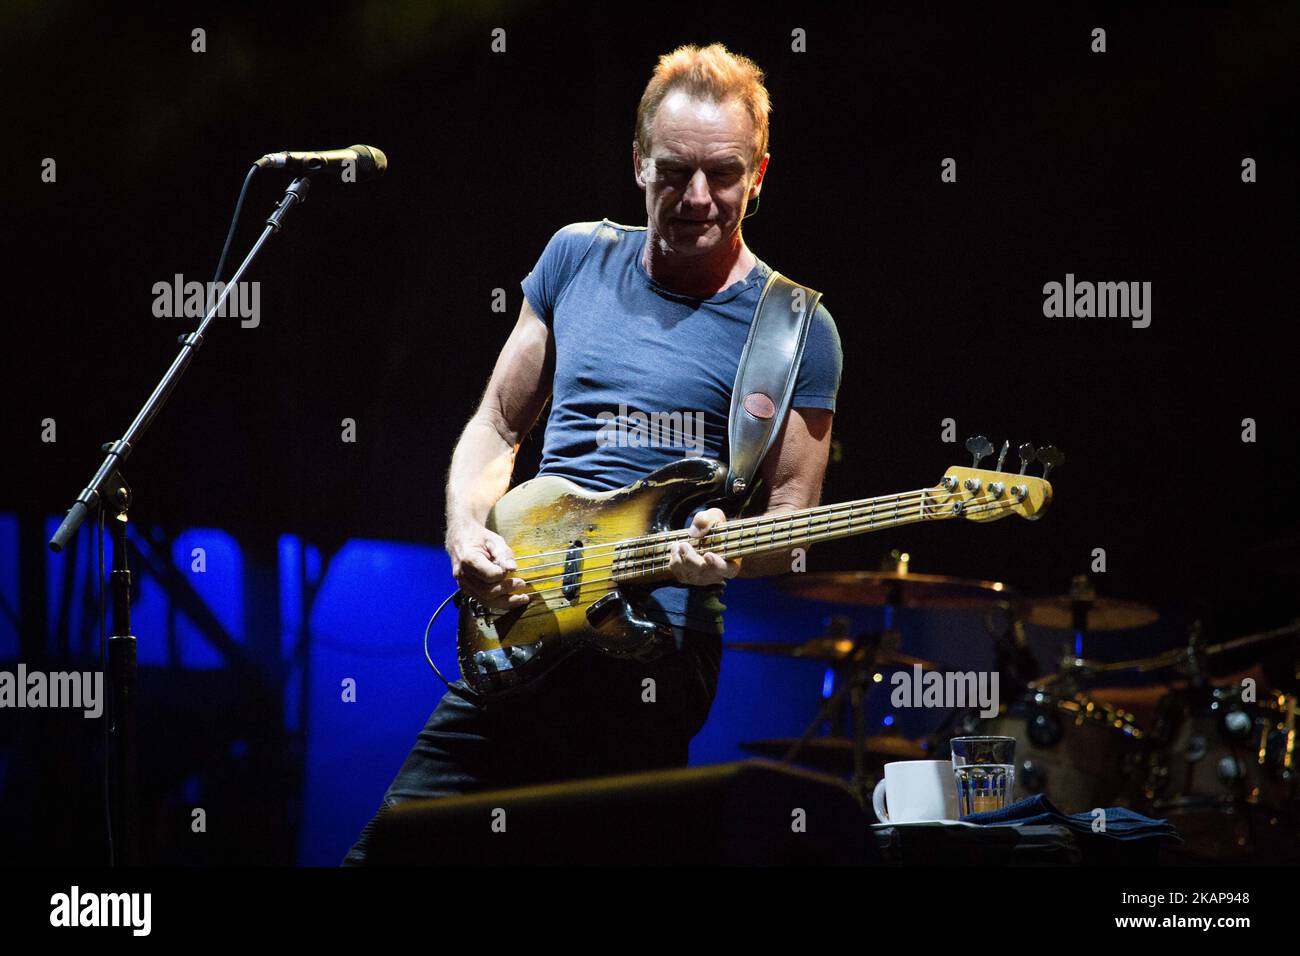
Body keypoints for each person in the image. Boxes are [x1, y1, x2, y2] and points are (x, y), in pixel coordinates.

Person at [343, 42, 841, 865]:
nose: (697, 197)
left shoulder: (795, 330)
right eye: (674, 171)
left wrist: (724, 556)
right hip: (521, 619)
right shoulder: (575, 255)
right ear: (638, 162)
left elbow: (792, 528)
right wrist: (467, 534)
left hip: (649, 653)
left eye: (723, 174)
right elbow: (498, 425)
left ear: (759, 174)